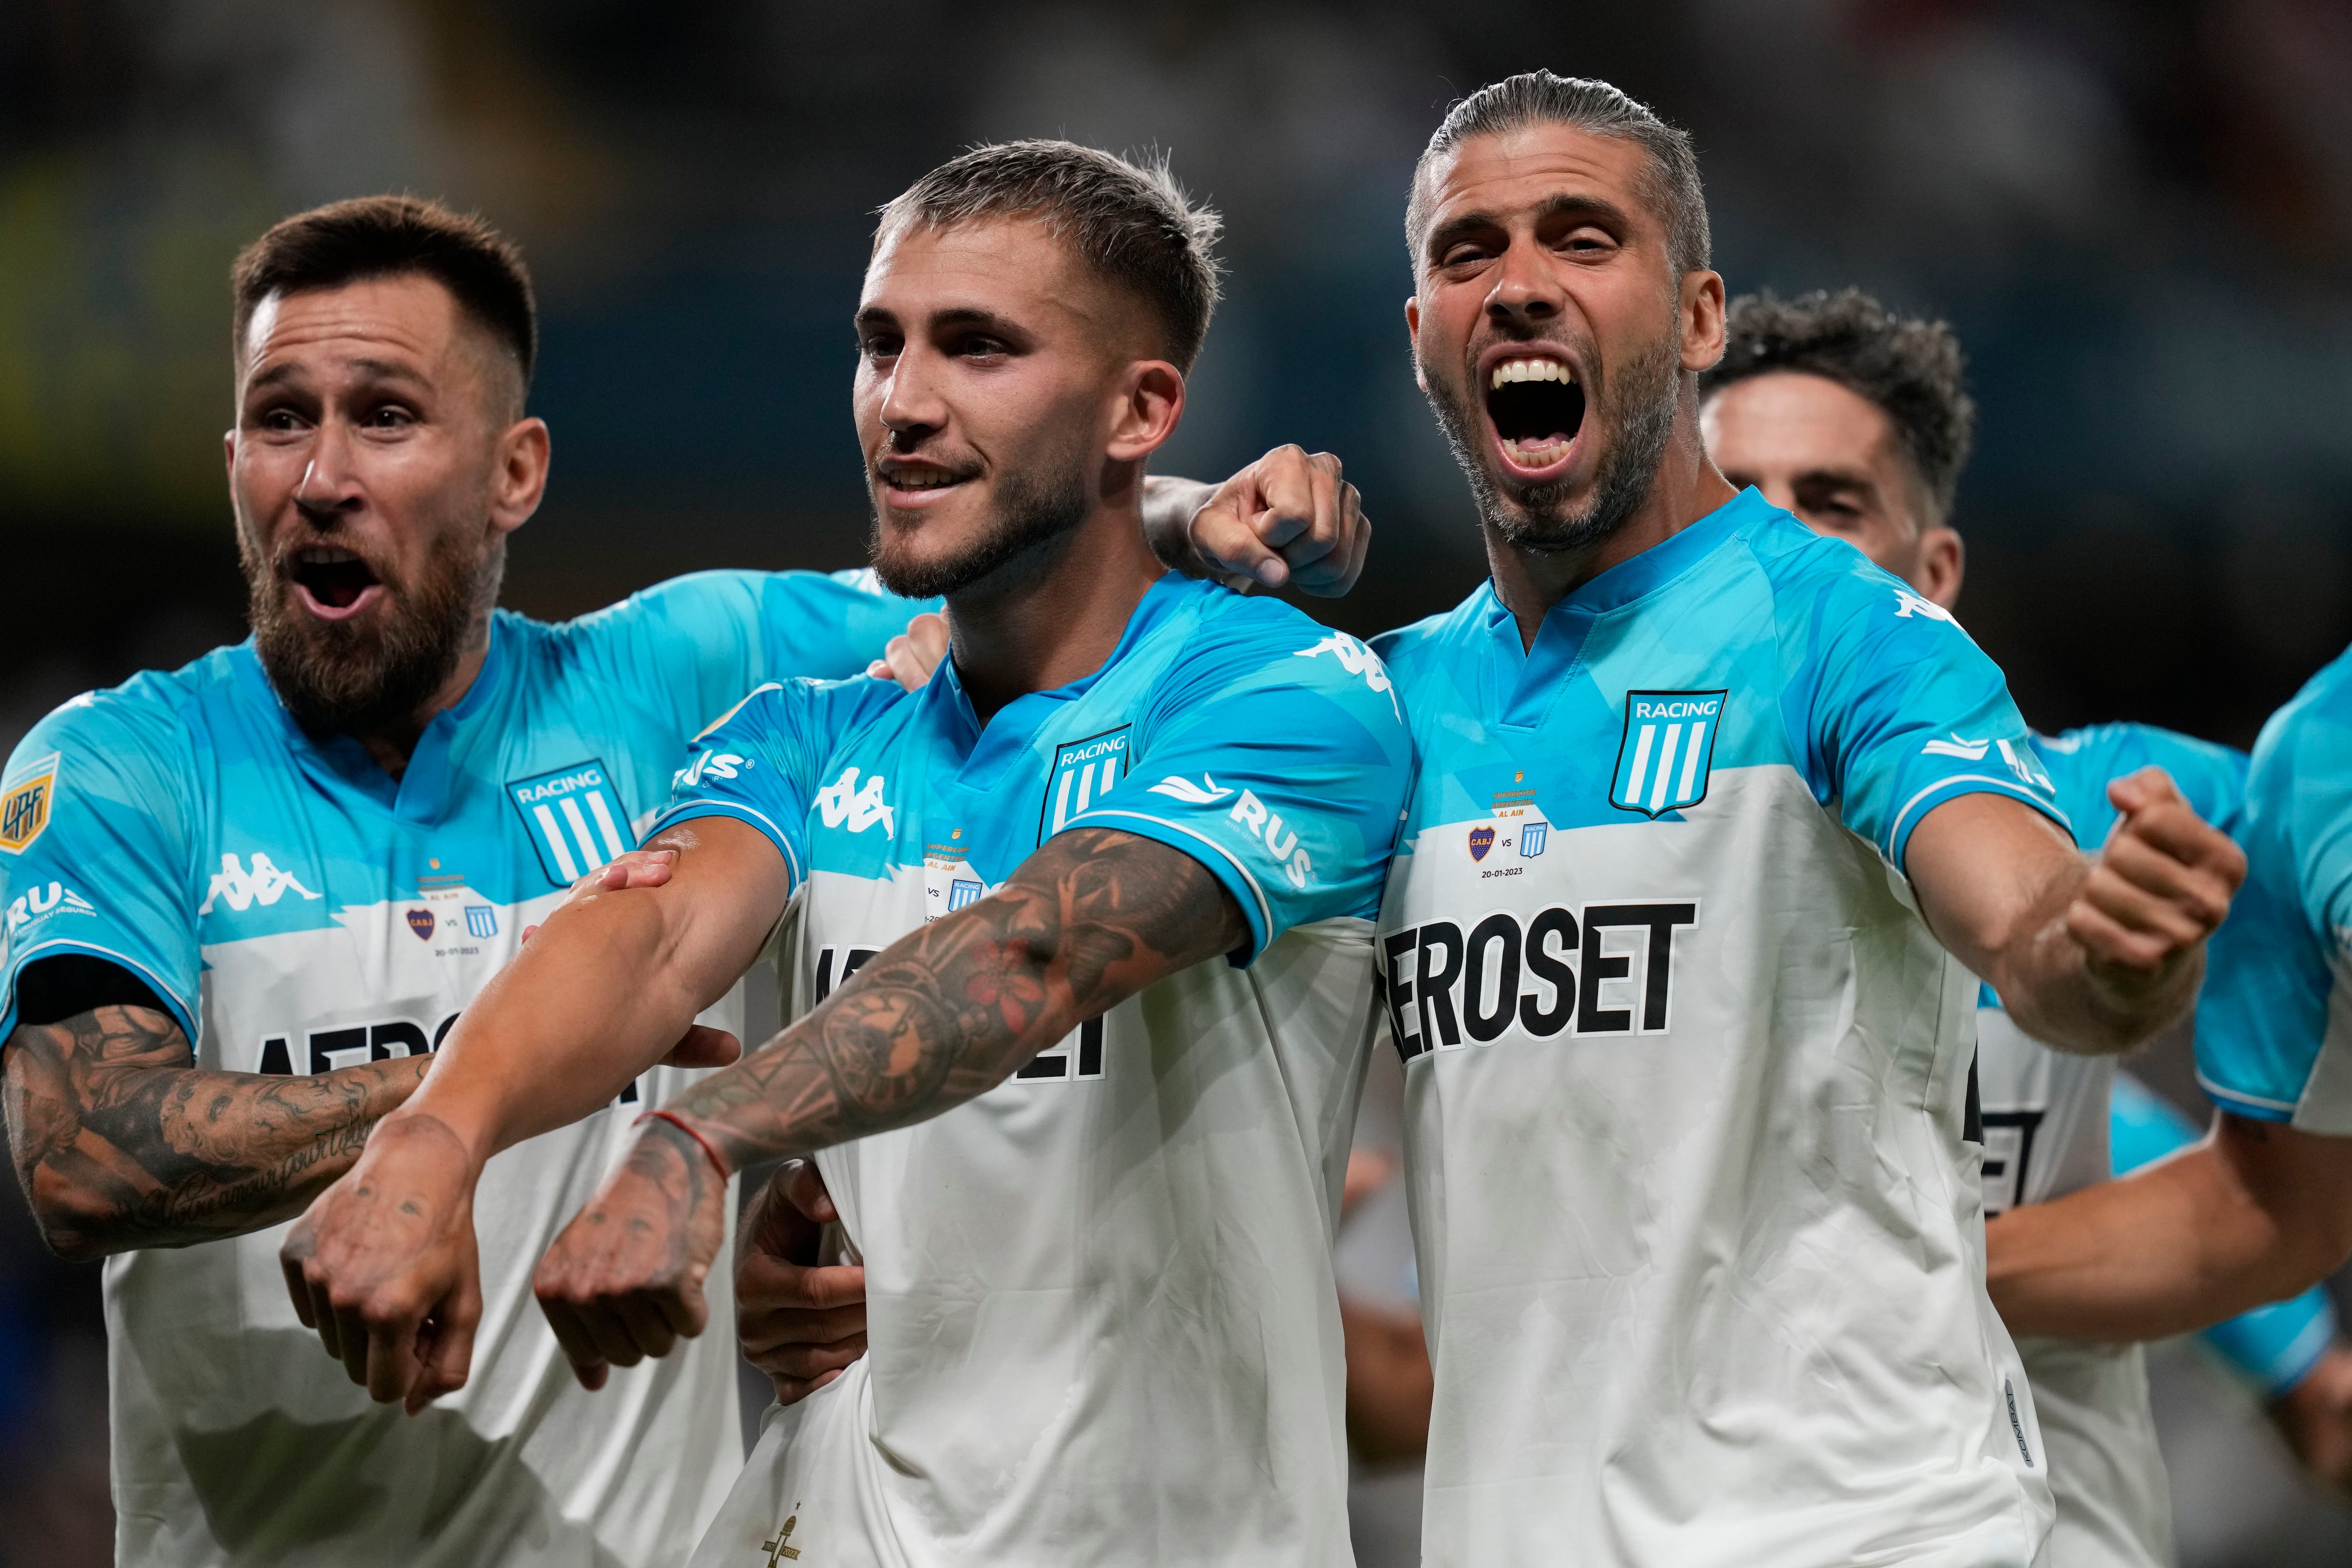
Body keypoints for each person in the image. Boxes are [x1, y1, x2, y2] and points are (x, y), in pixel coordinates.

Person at [0, 194, 1363, 1568]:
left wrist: (1195, 513)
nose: (322, 477)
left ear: (516, 471)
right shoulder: (125, 761)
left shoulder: (687, 674)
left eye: (388, 418)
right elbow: (80, 1159)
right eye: (283, 421)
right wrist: (476, 1103)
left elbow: (1007, 546)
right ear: (234, 458)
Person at [1366, 72, 2241, 1567]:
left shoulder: (1849, 635)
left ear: (1699, 320)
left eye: (1583, 238)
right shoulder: (1385, 708)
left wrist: (2108, 950)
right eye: (1469, 251)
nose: (1518, 285)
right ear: (1421, 338)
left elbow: (2028, 926)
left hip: (1861, 1532)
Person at [1700, 285, 2352, 1556]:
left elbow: (2266, 1207)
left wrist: (1897, 1274)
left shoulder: (2143, 811)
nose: (1772, 553)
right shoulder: (1541, 849)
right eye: (1726, 505)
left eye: (1829, 504)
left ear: (1932, 575)